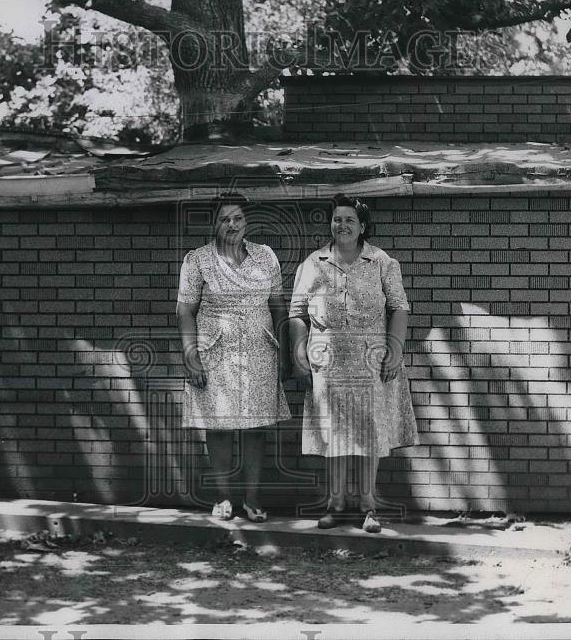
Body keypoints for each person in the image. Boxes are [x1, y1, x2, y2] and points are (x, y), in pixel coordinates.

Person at [288, 193, 419, 533]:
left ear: (362, 226)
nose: (341, 224)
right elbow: (297, 313)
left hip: (370, 359)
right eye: (336, 219)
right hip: (327, 360)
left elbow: (399, 307)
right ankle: (335, 504)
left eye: (349, 220)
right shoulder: (312, 263)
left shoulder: (382, 262)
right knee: (333, 433)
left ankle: (368, 506)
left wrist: (395, 349)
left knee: (368, 431)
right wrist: (299, 351)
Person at [177, 193, 291, 522]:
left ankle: (252, 499)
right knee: (220, 427)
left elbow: (278, 306)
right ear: (214, 223)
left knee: (256, 428)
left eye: (238, 218)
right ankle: (223, 499)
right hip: (215, 354)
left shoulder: (265, 256)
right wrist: (190, 354)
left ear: (246, 221)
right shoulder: (197, 260)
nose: (232, 225)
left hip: (260, 352)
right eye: (224, 219)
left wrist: (283, 353)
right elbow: (184, 311)